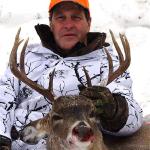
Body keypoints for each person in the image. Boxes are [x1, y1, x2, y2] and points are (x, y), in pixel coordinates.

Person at [0, 0, 143, 149]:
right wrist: (2, 137)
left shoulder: (107, 62)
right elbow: (3, 97)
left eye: (76, 17)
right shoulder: (27, 58)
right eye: (61, 18)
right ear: (51, 23)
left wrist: (116, 109)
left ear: (88, 22)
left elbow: (134, 117)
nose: (68, 25)